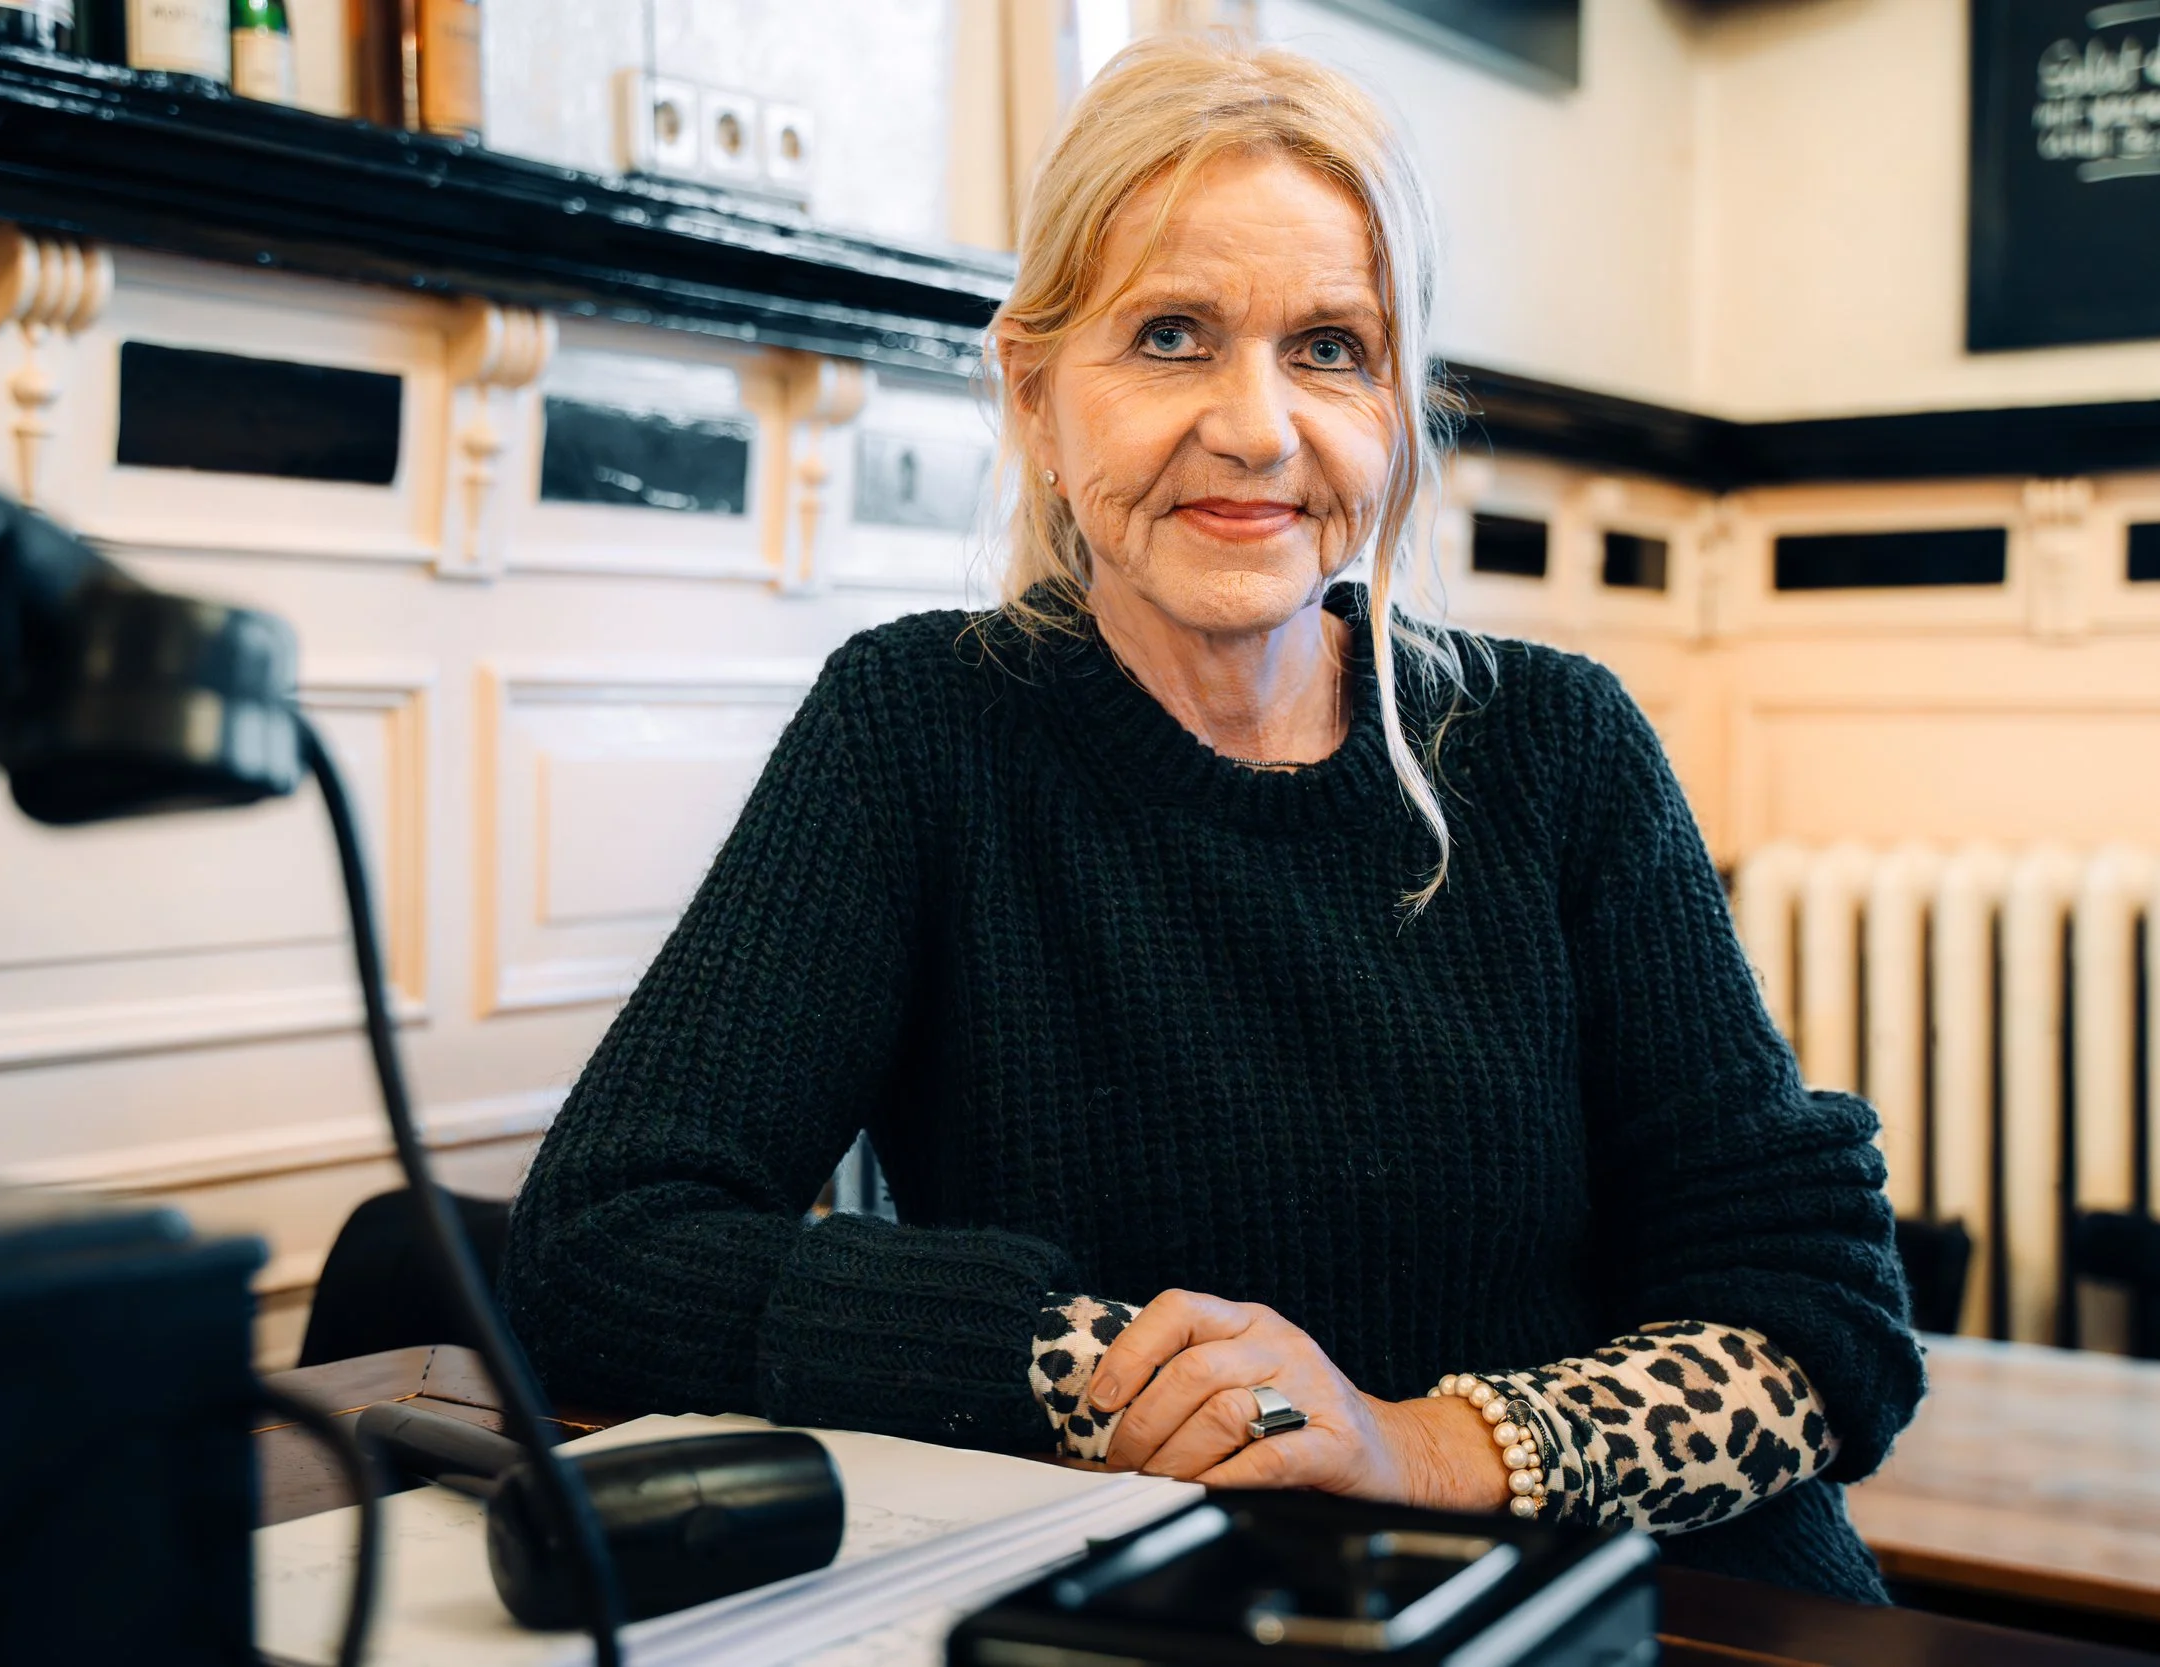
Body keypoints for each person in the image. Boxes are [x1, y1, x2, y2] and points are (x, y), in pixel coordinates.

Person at [500, 35, 1921, 1601]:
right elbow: (601, 1242)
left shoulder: (1553, 744)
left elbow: (1820, 1319)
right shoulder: (921, 728)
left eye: (1329, 346)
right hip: (1195, 1610)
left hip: (1651, 1616)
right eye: (1171, 335)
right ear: (1035, 392)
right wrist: (1098, 1367)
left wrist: (1419, 1445)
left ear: (1399, 403)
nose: (1257, 427)